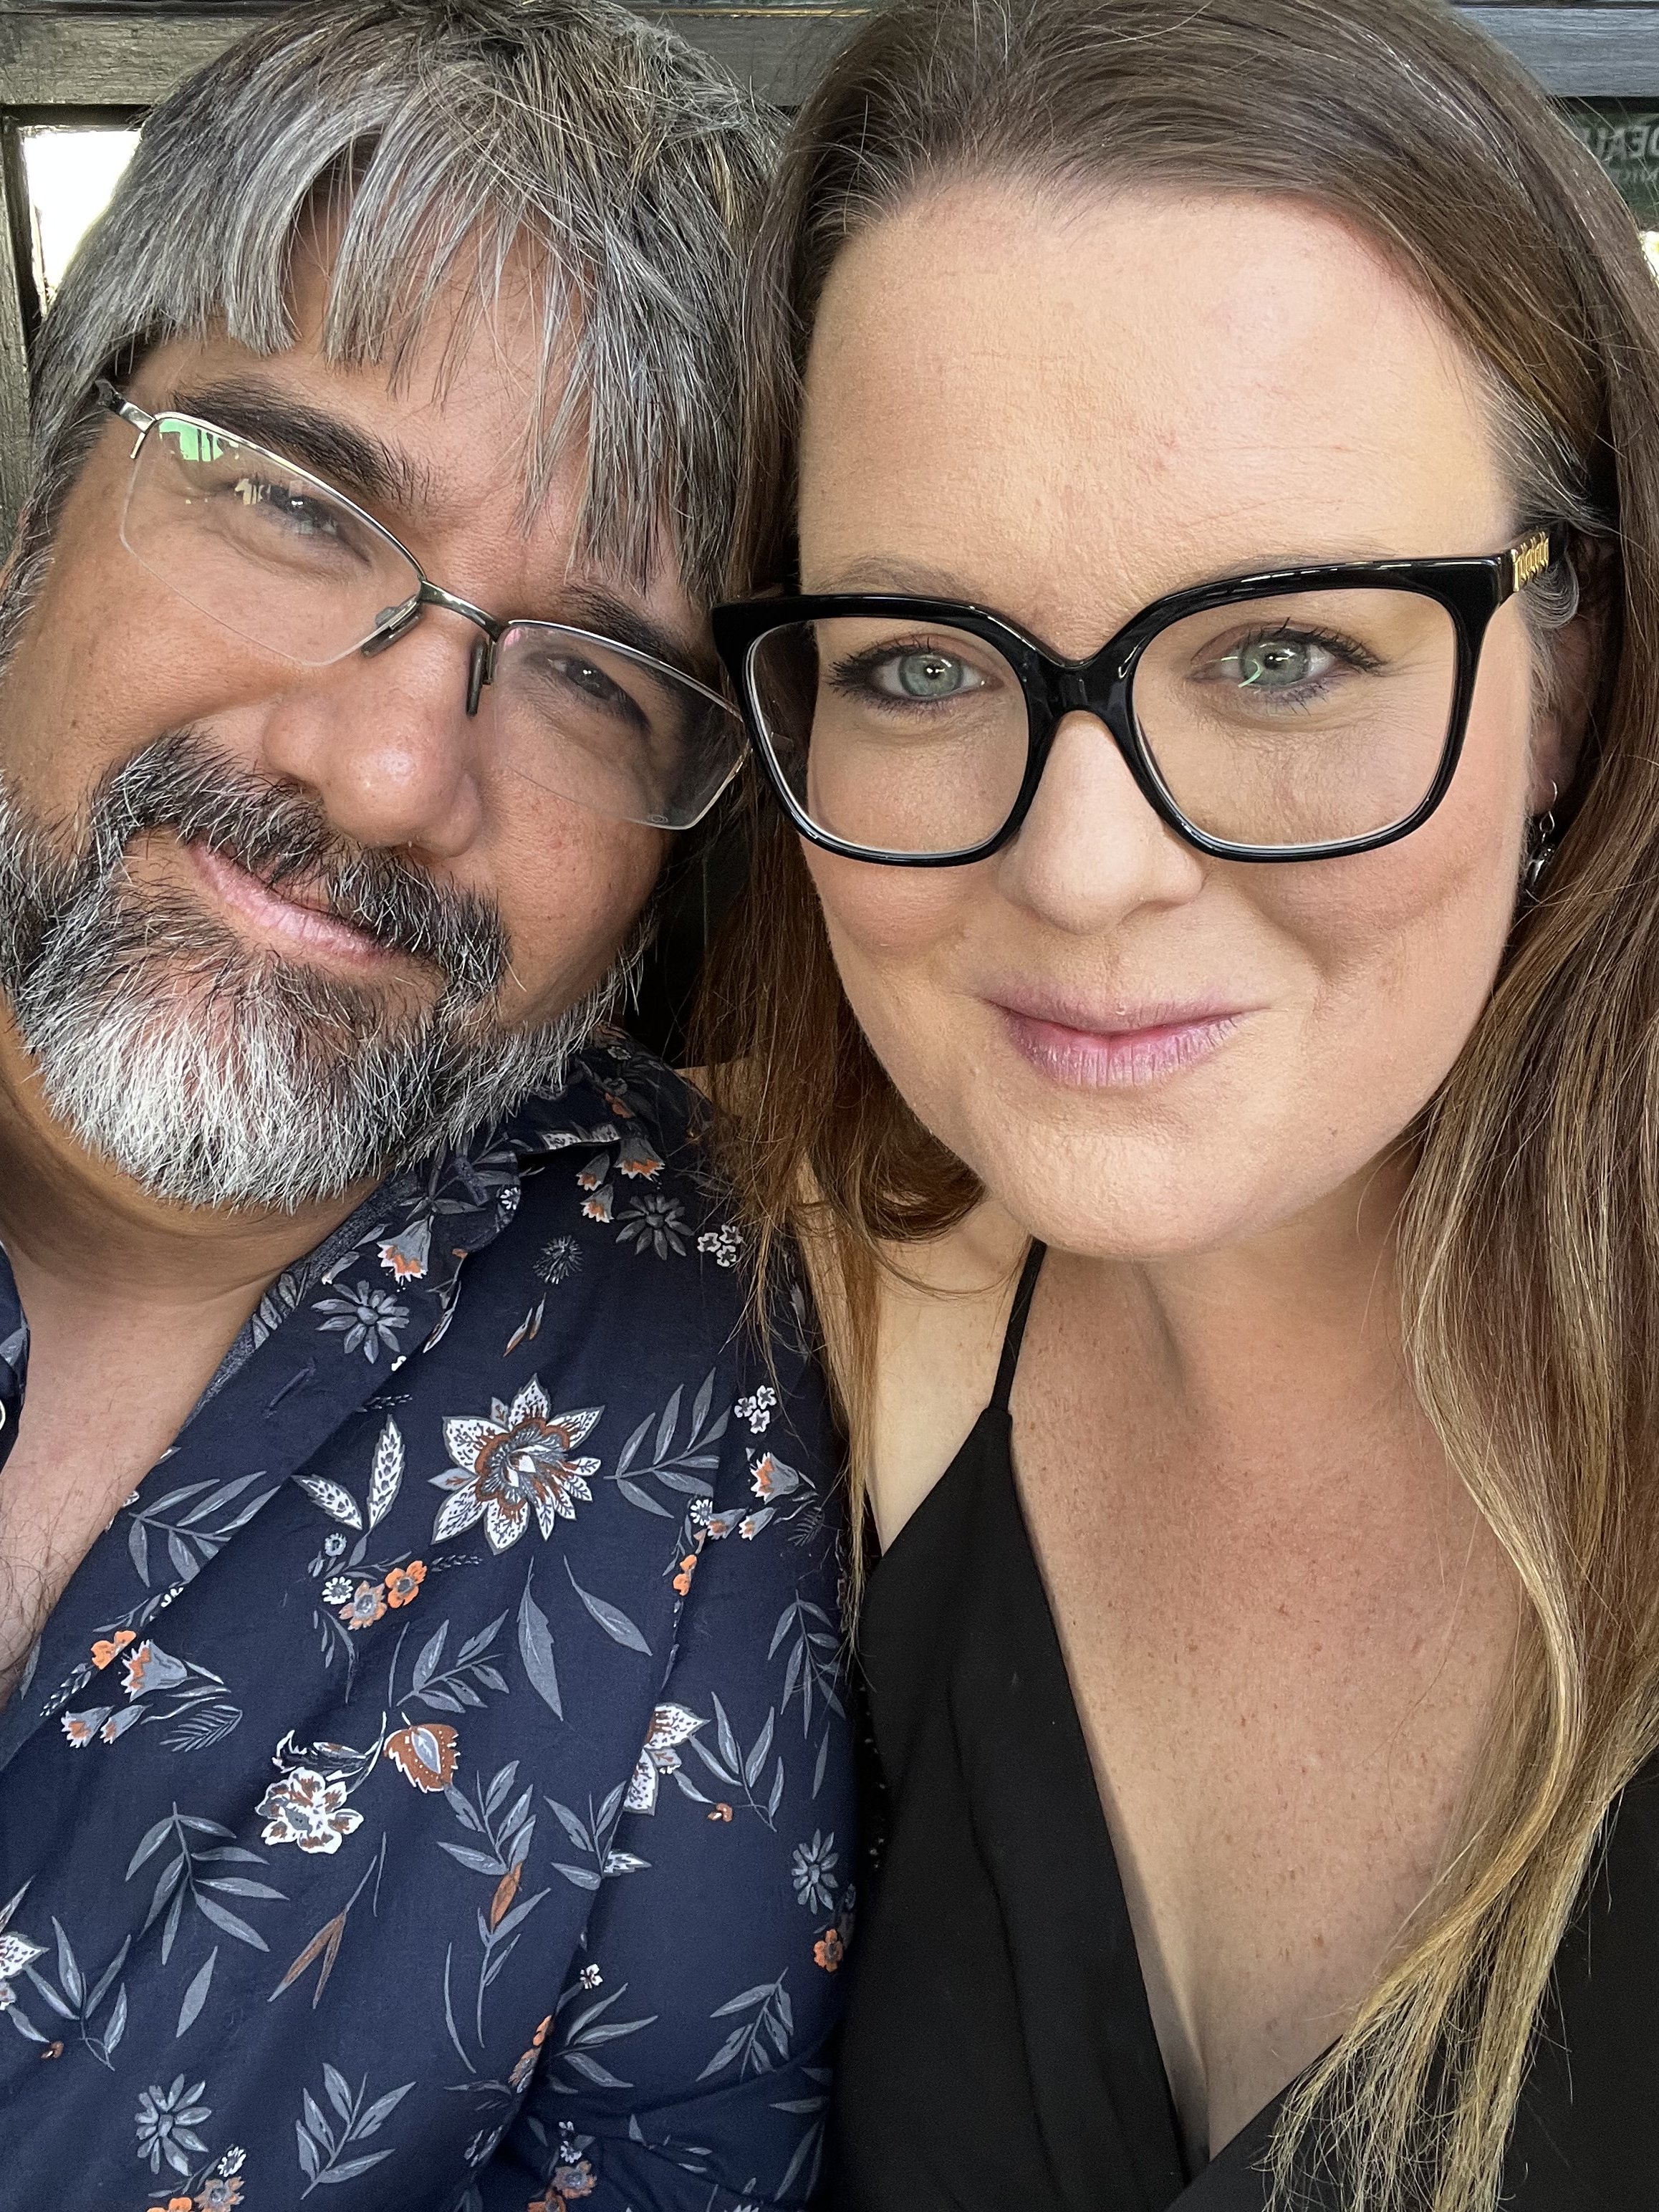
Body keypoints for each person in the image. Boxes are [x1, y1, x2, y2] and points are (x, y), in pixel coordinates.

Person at [701, 0, 1659, 2204]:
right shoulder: (836, 1304)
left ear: (1569, 665)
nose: (1082, 869)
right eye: (920, 664)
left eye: (1283, 652)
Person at [0, 4, 852, 2207]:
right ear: (46, 488)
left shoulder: (712, 1399)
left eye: (592, 671)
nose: (388, 771)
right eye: (294, 503)